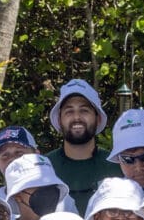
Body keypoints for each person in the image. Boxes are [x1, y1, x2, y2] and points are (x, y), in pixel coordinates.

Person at [46, 80, 119, 210]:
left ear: (98, 119)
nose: (77, 117)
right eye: (69, 111)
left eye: (84, 110)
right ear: (59, 120)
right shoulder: (44, 168)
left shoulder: (116, 166)